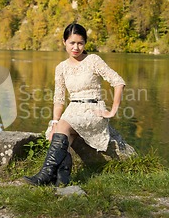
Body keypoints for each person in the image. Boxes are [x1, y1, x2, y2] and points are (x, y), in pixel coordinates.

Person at [23, 23, 126, 186]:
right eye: (72, 43)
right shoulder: (61, 68)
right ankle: (62, 178)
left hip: (93, 110)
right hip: (73, 111)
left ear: (85, 43)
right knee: (57, 133)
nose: (76, 47)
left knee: (62, 129)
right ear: (64, 42)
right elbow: (59, 98)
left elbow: (118, 82)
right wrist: (55, 121)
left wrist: (112, 111)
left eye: (80, 43)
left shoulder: (93, 60)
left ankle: (44, 175)